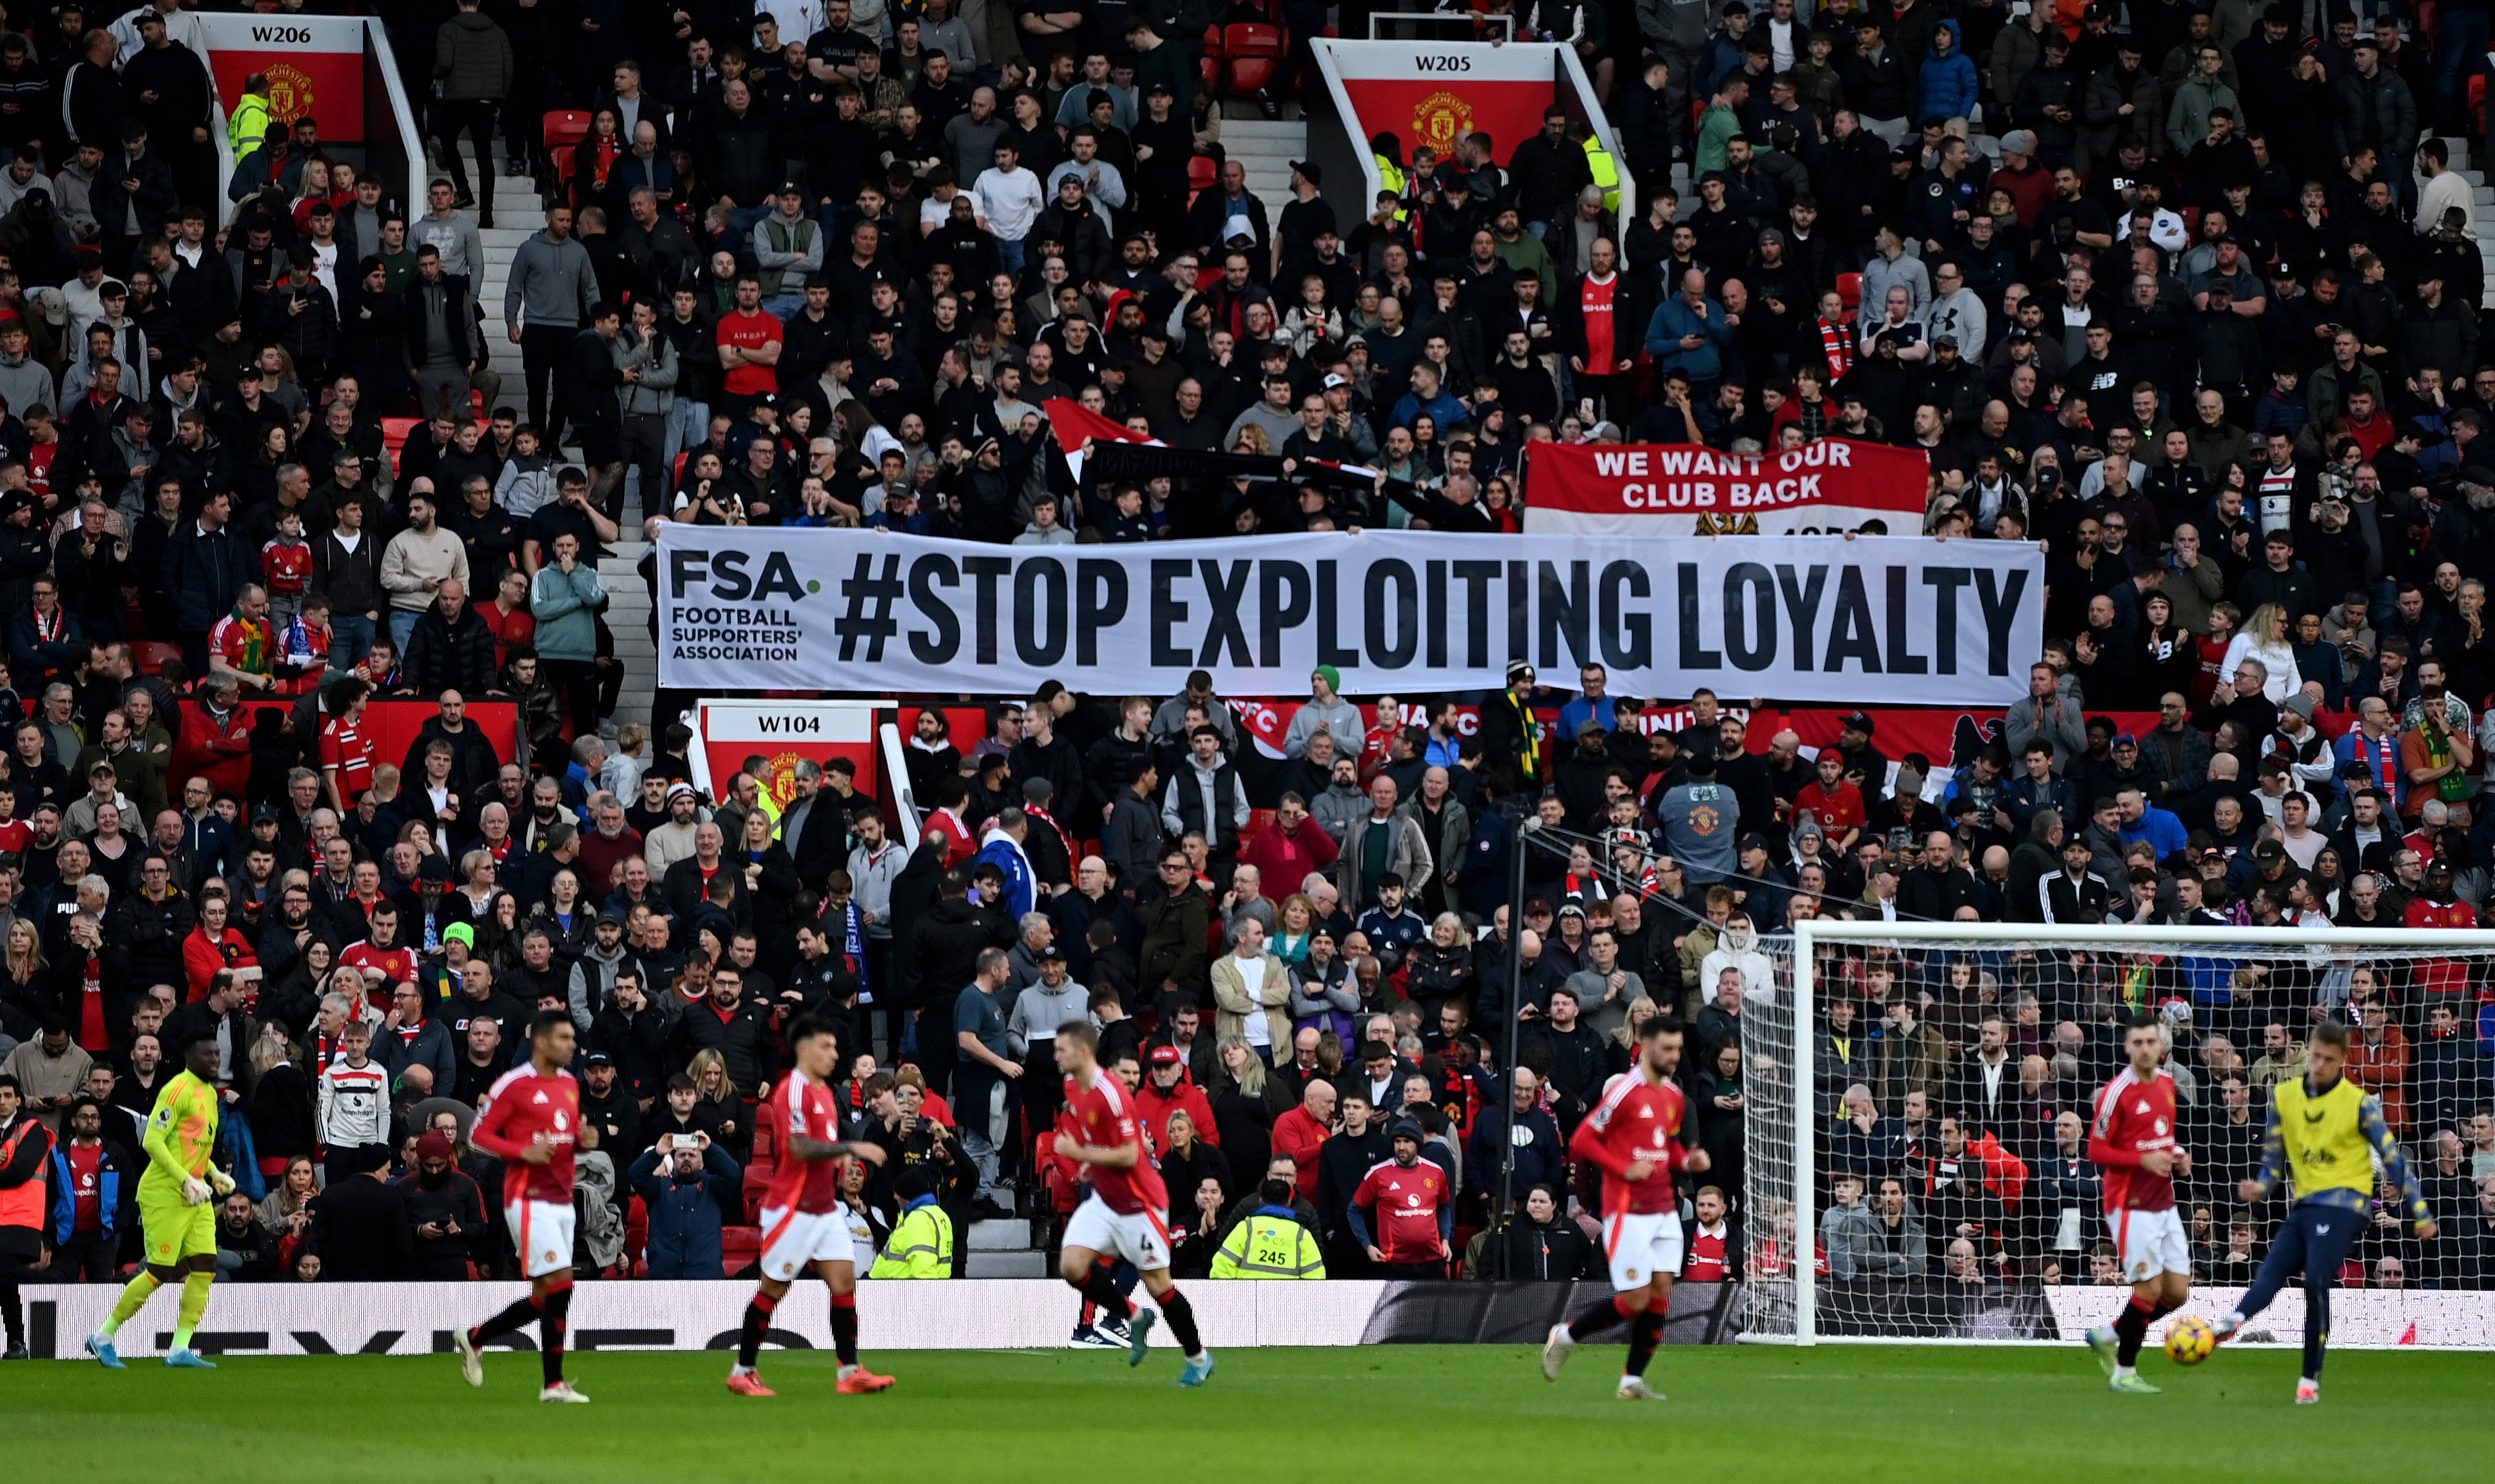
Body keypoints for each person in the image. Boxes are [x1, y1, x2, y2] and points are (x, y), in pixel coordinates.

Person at [2212, 1019, 2435, 1403]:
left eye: (2328, 1060)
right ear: (2308, 1051)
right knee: (2274, 1267)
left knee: (2316, 1280)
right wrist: (2260, 1187)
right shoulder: (2283, 1097)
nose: (2318, 1066)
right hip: (2307, 1204)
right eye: (2315, 1056)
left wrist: (2421, 1213)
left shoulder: (2360, 1104)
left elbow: (2394, 1160)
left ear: (2342, 1061)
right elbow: (2273, 1158)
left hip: (2348, 1203)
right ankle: (2232, 1322)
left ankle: (2309, 1380)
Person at [1542, 1015, 1710, 1400]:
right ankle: (1566, 1336)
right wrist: (1623, 1168)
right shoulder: (1624, 1091)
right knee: (1636, 1300)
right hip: (1626, 1209)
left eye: (1679, 1049)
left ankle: (1631, 1379)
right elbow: (1583, 1140)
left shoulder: (1673, 1097)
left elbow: (1669, 1147)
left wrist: (1687, 1162)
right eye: (1667, 1048)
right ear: (1645, 1046)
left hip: (1664, 1207)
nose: (1674, 1056)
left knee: (1662, 1288)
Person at [727, 1016, 893, 1397]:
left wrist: (838, 1160)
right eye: (826, 1046)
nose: (835, 1055)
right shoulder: (793, 1090)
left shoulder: (822, 1092)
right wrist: (852, 1148)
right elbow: (799, 1148)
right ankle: (743, 1370)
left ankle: (849, 1372)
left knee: (844, 1281)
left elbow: (820, 1148)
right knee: (773, 1289)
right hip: (793, 1209)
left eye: (835, 1047)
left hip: (824, 1208)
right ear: (803, 1049)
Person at [1051, 1020, 1215, 1386]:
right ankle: (1132, 1315)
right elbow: (1098, 1136)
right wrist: (1091, 1160)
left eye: (1061, 1048)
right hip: (1107, 1199)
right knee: (1072, 1266)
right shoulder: (1071, 1086)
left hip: (1141, 1204)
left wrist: (1078, 1152)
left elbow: (1128, 1154)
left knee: (1159, 1286)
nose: (1056, 1055)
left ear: (1082, 1051)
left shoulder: (1113, 1094)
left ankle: (1198, 1357)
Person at [452, 1012, 590, 1403]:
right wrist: (521, 1151)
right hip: (529, 1197)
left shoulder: (569, 1084)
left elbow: (567, 1138)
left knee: (548, 1295)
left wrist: (584, 1141)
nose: (572, 1045)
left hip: (564, 1196)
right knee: (562, 1284)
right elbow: (478, 1135)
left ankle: (476, 1337)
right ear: (542, 1042)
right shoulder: (514, 1084)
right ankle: (553, 1385)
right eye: (564, 1037)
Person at [83, 1032, 228, 1369]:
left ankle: (179, 1349)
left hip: (195, 1193)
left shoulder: (209, 1093)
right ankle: (103, 1337)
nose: (215, 1060)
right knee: (162, 1270)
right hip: (165, 1192)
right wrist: (185, 1179)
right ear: (189, 1057)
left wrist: (214, 1173)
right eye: (208, 1055)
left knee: (206, 1266)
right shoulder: (177, 1089)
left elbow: (194, 1148)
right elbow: (152, 1141)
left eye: (217, 1054)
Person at [2081, 1014, 2195, 1394]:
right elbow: (2096, 1150)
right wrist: (2141, 1161)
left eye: (2151, 1042)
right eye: (2138, 1043)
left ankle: (2111, 1333)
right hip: (2128, 1203)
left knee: (2177, 1293)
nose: (2145, 1049)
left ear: (2162, 1046)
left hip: (2163, 1200)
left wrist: (2178, 1155)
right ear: (2128, 1047)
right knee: (2147, 1290)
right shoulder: (2117, 1092)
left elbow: (2160, 1138)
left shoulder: (2167, 1083)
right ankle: (2124, 1373)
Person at [1348, 1117, 1451, 1277]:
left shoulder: (1436, 1172)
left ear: (1418, 1144)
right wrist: (1368, 1246)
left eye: (1407, 1142)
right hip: (1394, 1264)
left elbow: (1444, 1208)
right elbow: (1354, 1210)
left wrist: (1445, 1240)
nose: (1401, 1147)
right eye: (1397, 1141)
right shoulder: (1378, 1174)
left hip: (1432, 1261)